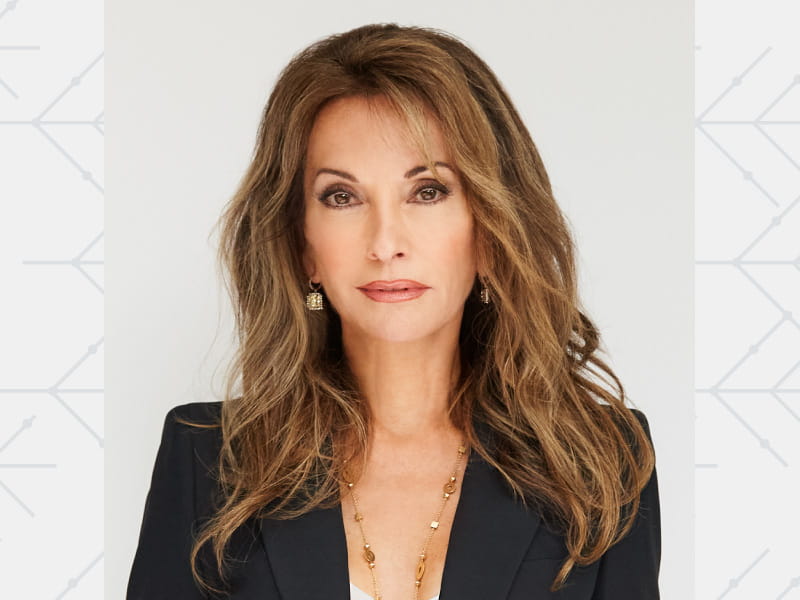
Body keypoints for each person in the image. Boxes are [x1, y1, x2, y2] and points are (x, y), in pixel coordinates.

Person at [126, 23, 660, 600]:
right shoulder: (205, 460)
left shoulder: (600, 462)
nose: (385, 244)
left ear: (489, 227)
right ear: (303, 245)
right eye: (342, 197)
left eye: (427, 191)